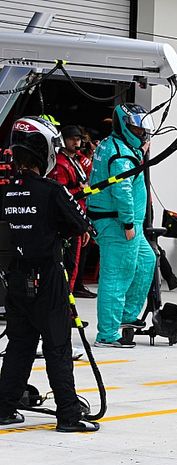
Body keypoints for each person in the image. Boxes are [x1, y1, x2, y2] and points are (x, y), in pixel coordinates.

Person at [0, 116, 98, 431]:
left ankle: (4, 408)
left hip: (14, 278)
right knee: (57, 345)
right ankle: (68, 415)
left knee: (19, 344)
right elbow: (81, 224)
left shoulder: (5, 191)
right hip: (47, 277)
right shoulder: (51, 190)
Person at [87, 103, 156, 348]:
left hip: (122, 222)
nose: (142, 134)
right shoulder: (120, 155)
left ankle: (126, 315)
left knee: (147, 261)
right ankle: (107, 333)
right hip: (118, 223)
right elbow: (122, 190)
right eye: (137, 129)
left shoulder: (116, 146)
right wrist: (128, 223)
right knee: (116, 276)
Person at [48, 124, 95, 299]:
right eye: (73, 139)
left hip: (78, 215)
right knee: (70, 265)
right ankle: (67, 308)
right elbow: (61, 193)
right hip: (69, 218)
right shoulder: (61, 162)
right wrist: (82, 191)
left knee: (73, 264)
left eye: (78, 139)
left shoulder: (75, 159)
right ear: (64, 140)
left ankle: (67, 306)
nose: (77, 142)